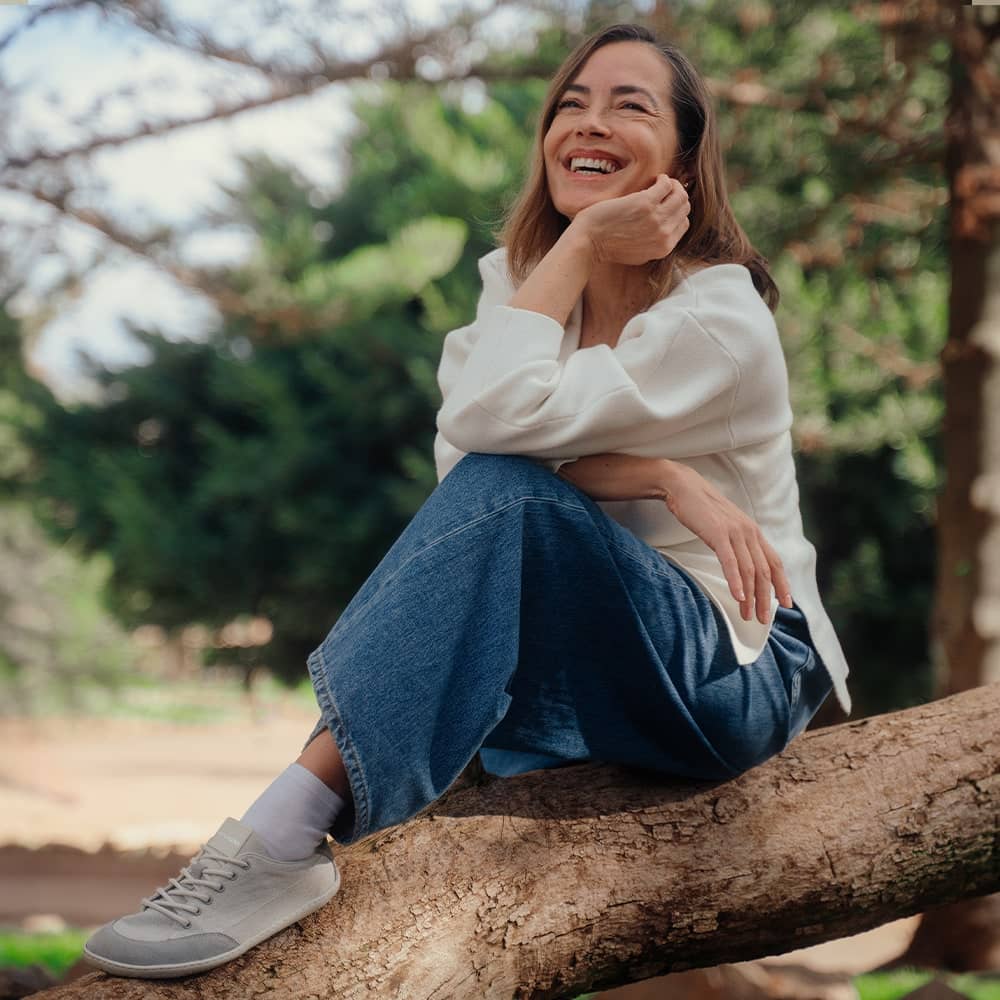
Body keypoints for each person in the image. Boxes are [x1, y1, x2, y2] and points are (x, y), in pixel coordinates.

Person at [82, 21, 852, 980]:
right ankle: (300, 835)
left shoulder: (717, 312)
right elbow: (472, 452)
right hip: (605, 659)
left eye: (629, 105)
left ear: (685, 159)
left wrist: (572, 275)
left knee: (507, 491)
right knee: (499, 489)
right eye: (570, 103)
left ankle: (281, 834)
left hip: (736, 663)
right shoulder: (521, 287)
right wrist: (660, 474)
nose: (588, 121)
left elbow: (493, 448)